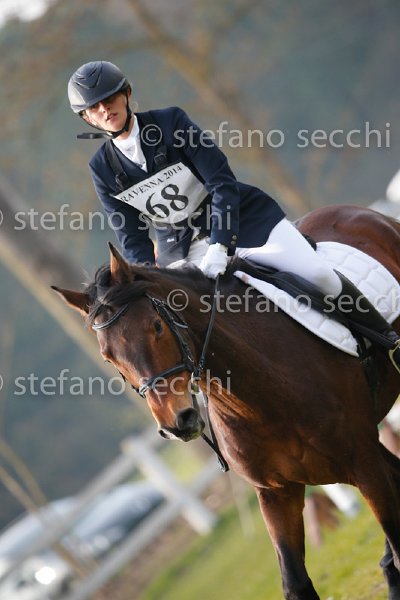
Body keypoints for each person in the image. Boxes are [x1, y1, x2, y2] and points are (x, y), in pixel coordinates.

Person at [68, 60, 400, 372]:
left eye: (109, 99)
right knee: (177, 331)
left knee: (319, 276)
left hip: (242, 222)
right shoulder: (102, 168)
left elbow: (222, 183)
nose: (104, 109)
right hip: (179, 251)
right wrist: (146, 281)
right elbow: (132, 237)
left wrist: (220, 245)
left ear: (126, 94)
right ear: (87, 118)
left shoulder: (171, 123)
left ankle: (389, 343)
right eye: (94, 108)